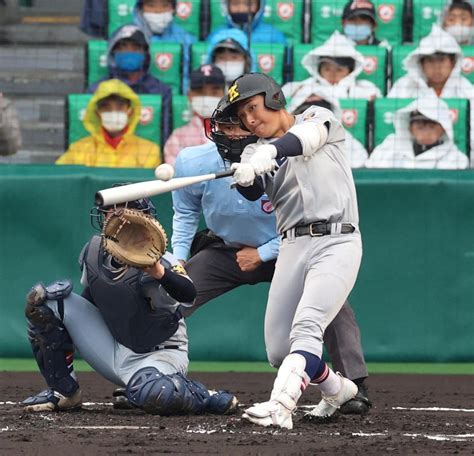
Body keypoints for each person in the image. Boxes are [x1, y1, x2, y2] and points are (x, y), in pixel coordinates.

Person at [170, 97, 371, 417]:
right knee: (174, 293)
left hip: (284, 247)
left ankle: (353, 384)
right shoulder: (193, 161)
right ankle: (148, 372)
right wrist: (177, 261)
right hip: (225, 250)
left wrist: (262, 252)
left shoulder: (289, 155)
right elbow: (184, 215)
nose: (232, 132)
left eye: (239, 125)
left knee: (330, 303)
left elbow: (304, 220)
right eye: (225, 126)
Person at [216, 73, 363, 429]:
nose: (250, 119)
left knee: (307, 326)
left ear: (274, 98)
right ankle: (339, 388)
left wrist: (271, 151)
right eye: (243, 115)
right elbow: (252, 191)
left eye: (253, 107)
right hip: (292, 245)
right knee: (280, 351)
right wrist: (245, 175)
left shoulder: (316, 117)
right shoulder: (253, 151)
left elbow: (304, 139)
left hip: (336, 239)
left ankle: (281, 404)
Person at [21, 197, 238, 416]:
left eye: (123, 211)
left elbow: (188, 293)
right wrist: (62, 335)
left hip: (159, 355)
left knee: (157, 393)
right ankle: (64, 392)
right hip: (114, 349)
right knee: (47, 303)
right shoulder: (95, 250)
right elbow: (92, 299)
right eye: (109, 211)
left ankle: (203, 396)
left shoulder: (161, 258)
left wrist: (159, 273)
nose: (114, 217)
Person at [87, 24, 173, 143]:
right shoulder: (97, 89)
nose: (129, 52)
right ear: (112, 52)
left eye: (136, 48)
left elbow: (165, 135)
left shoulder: (161, 91)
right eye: (123, 47)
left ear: (145, 54)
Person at [56, 79, 161, 168]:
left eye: (120, 107)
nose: (113, 112)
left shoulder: (150, 151)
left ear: (130, 111)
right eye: (106, 107)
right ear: (97, 113)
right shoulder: (78, 150)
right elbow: (61, 179)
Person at [366, 96, 468, 169]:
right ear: (410, 128)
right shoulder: (390, 146)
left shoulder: (456, 158)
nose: (426, 132)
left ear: (443, 129)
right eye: (420, 127)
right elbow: (371, 169)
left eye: (431, 126)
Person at [282, 31, 382, 101]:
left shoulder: (364, 89)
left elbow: (377, 100)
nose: (333, 75)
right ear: (319, 70)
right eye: (327, 69)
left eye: (339, 70)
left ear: (350, 71)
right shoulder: (307, 86)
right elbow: (283, 94)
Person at [286, 86, 368, 168]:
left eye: (321, 110)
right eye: (306, 111)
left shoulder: (348, 142)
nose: (314, 117)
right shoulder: (284, 139)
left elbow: (360, 163)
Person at [163, 64, 226, 165]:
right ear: (190, 95)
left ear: (224, 94)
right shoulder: (178, 137)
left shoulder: (237, 131)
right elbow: (177, 173)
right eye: (200, 92)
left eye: (214, 92)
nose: (207, 98)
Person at [133, 0, 197, 93]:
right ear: (140, 8)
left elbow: (188, 74)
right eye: (151, 5)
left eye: (165, 5)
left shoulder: (186, 39)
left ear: (173, 9)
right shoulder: (128, 37)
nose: (158, 11)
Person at [207, 0, 287, 46]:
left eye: (248, 4)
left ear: (259, 5)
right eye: (235, 4)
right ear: (226, 5)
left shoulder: (274, 35)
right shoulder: (218, 35)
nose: (241, 9)